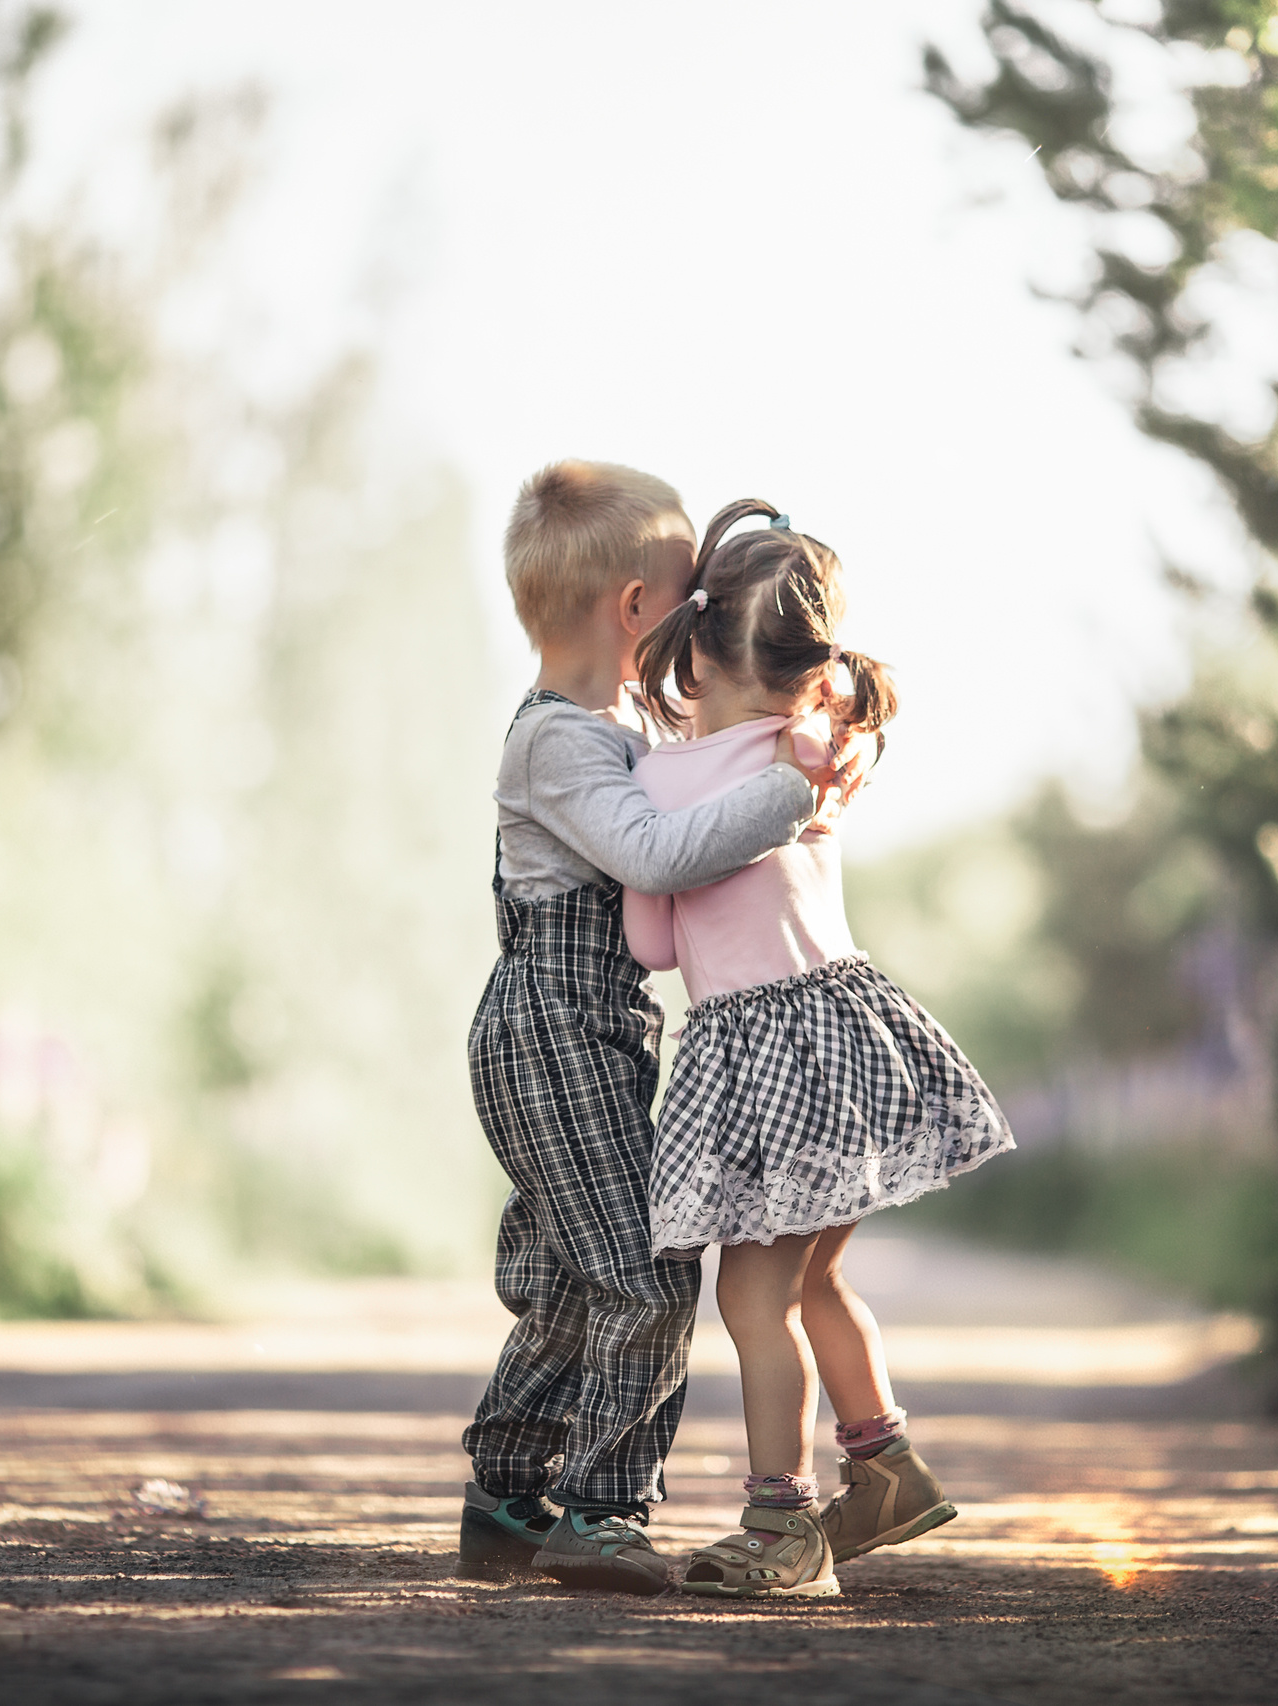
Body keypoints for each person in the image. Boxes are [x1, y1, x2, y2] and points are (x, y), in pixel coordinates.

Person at [458, 461, 847, 1596]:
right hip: (551, 1027)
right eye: (693, 604)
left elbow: (730, 717)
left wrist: (820, 717)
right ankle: (599, 1507)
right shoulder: (561, 742)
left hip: (591, 1025)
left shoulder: (617, 718)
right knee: (648, 1268)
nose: (702, 630)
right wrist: (791, 795)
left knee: (580, 1276)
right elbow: (659, 854)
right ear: (637, 610)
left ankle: (506, 1494)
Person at [623, 500, 1016, 1600]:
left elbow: (652, 940)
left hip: (761, 1052)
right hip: (854, 1033)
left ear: (692, 649)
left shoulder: (662, 781)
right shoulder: (816, 748)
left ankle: (782, 1525)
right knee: (816, 1275)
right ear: (809, 665)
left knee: (754, 1303)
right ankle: (883, 1463)